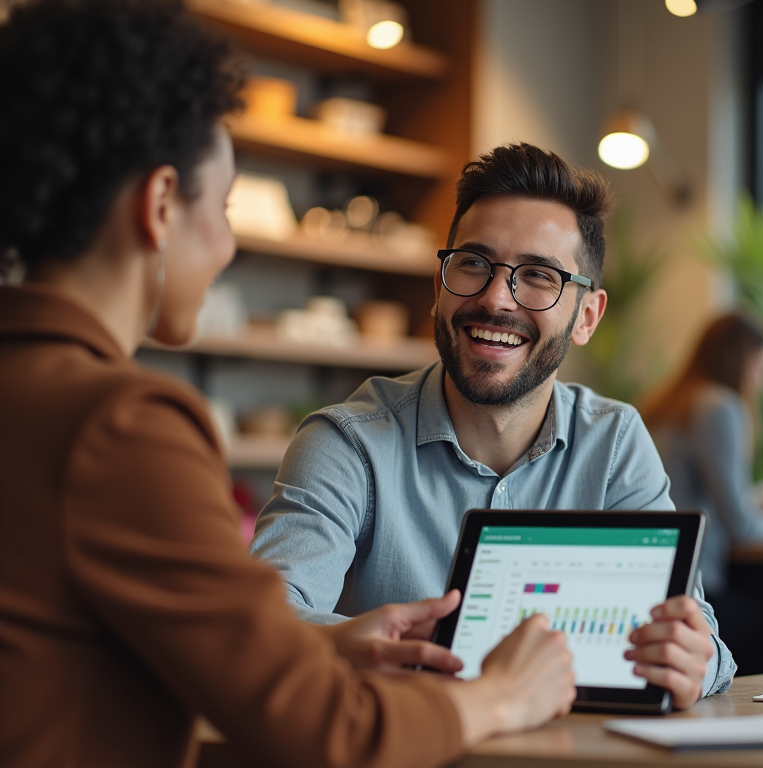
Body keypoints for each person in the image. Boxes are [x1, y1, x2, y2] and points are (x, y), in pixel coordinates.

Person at [0, 2, 577, 767]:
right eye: (229, 206)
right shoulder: (119, 425)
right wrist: (501, 696)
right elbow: (322, 732)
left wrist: (330, 644)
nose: (231, 245)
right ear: (162, 204)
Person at [251, 143, 737, 708]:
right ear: (439, 286)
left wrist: (690, 661)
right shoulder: (349, 442)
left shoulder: (614, 441)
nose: (495, 298)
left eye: (537, 276)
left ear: (586, 316)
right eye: (474, 264)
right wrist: (350, 645)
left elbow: (696, 628)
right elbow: (265, 618)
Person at [642, 312, 763, 673]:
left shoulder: (667, 402)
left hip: (652, 579)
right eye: (762, 366)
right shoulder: (719, 407)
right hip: (697, 588)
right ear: (741, 361)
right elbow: (739, 524)